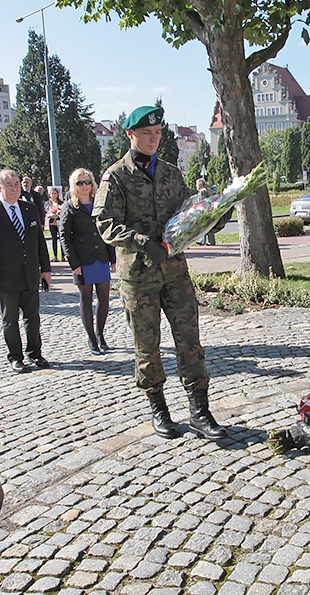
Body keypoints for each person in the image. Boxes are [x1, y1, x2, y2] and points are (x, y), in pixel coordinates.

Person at [93, 104, 227, 441]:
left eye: (157, 133)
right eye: (146, 134)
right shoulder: (117, 176)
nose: (153, 139)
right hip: (138, 275)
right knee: (147, 346)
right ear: (130, 135)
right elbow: (105, 223)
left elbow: (185, 213)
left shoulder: (170, 172)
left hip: (174, 270)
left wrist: (211, 217)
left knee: (189, 341)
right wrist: (140, 241)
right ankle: (159, 408)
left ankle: (199, 411)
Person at [0, 169, 51, 373]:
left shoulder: (29, 208)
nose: (15, 188)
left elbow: (39, 241)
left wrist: (46, 269)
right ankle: (15, 357)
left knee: (32, 316)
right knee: (10, 319)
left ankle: (35, 353)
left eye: (17, 184)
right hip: (5, 276)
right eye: (9, 185)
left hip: (30, 273)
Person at [59, 168, 116, 356]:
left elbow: (106, 231)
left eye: (87, 182)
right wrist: (73, 263)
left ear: (92, 184)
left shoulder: (99, 203)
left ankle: (100, 335)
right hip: (82, 260)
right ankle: (91, 338)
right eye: (80, 183)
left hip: (101, 257)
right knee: (86, 299)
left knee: (104, 299)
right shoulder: (69, 206)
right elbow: (64, 236)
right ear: (73, 186)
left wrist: (113, 258)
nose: (84, 186)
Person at [44, 187, 64, 261]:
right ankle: (55, 256)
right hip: (52, 223)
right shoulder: (47, 203)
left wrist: (59, 213)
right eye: (52, 194)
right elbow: (46, 211)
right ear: (50, 195)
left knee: (62, 239)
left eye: (55, 193)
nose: (54, 195)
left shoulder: (61, 203)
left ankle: (62, 256)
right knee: (54, 239)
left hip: (59, 222)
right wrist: (50, 214)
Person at [195, 178, 216, 246]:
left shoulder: (202, 191)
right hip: (209, 210)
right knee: (207, 226)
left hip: (204, 210)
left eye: (197, 184)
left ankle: (205, 241)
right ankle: (206, 241)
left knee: (204, 226)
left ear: (201, 184)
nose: (196, 186)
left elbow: (202, 202)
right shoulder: (208, 190)